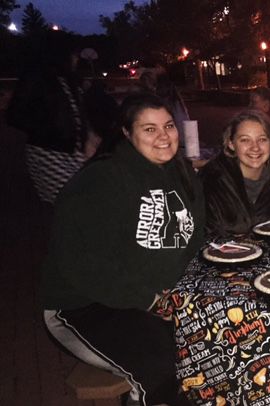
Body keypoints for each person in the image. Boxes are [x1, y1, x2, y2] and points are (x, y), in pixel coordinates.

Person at [41, 94, 205, 406]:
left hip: (153, 299)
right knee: (161, 367)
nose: (163, 137)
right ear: (127, 134)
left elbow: (193, 240)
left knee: (208, 347)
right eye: (149, 129)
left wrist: (181, 291)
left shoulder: (183, 174)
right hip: (85, 306)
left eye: (169, 126)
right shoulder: (101, 180)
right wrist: (150, 299)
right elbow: (84, 266)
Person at [6, 32, 90, 204]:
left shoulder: (69, 80)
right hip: (48, 151)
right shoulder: (37, 78)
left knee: (88, 192)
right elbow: (14, 115)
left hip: (72, 150)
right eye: (73, 55)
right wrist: (50, 130)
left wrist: (87, 137)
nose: (77, 59)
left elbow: (77, 115)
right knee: (71, 199)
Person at [200, 109, 270, 237]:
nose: (255, 147)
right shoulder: (211, 180)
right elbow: (203, 232)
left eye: (262, 139)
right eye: (245, 140)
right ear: (231, 143)